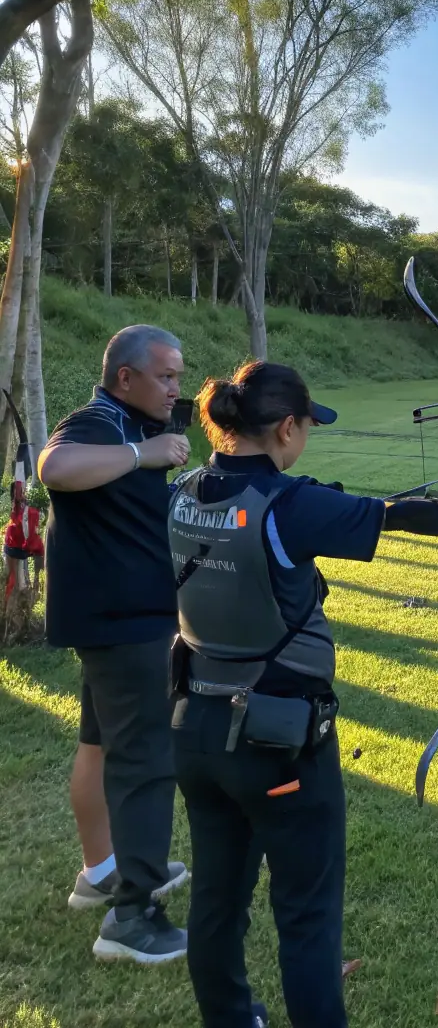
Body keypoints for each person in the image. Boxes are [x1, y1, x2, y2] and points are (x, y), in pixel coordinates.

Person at [170, 360, 438, 1028]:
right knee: (307, 916)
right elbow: (391, 515)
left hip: (196, 727)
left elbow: (337, 508)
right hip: (278, 740)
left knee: (216, 898)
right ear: (286, 426)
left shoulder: (180, 490)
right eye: (305, 428)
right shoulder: (289, 506)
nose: (305, 439)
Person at [40, 324, 192, 963]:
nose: (174, 389)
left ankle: (100, 872)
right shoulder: (96, 423)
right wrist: (144, 455)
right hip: (125, 625)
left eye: (179, 377)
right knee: (145, 761)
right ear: (124, 377)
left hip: (119, 620)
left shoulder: (130, 426)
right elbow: (55, 468)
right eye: (165, 377)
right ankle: (132, 916)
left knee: (100, 745)